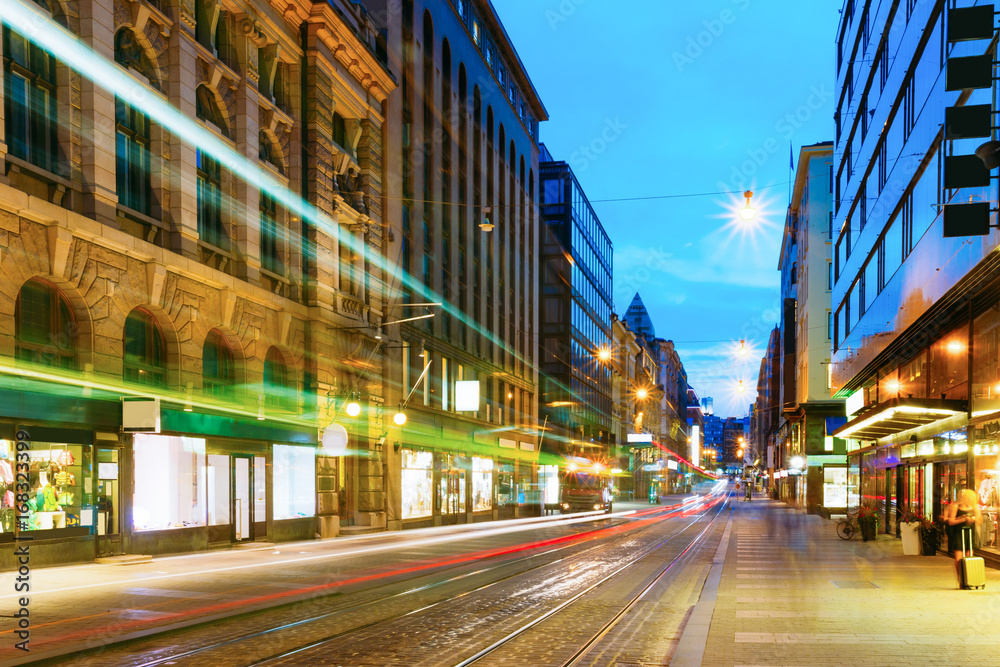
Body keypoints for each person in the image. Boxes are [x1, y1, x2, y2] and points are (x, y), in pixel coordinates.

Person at [941, 488, 982, 587]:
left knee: (970, 557)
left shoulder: (975, 507)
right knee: (958, 559)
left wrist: (972, 519)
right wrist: (963, 519)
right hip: (958, 534)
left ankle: (969, 579)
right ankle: (961, 580)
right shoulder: (956, 507)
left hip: (970, 533)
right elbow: (951, 521)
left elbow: (979, 519)